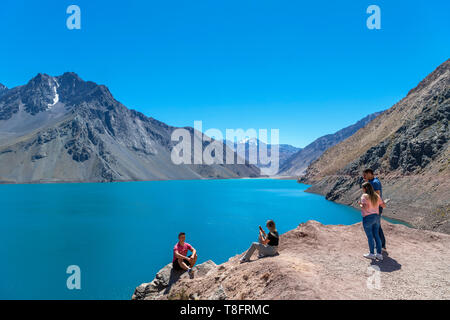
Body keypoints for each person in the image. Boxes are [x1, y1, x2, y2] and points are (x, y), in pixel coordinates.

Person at [359, 182, 386, 260]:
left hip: (368, 218)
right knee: (376, 235)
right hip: (376, 217)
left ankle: (371, 253)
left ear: (365, 189)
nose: (362, 190)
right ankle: (379, 254)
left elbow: (364, 207)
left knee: (370, 236)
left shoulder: (364, 196)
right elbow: (383, 205)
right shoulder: (376, 196)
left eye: (363, 188)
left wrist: (360, 204)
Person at [363, 168, 387, 251]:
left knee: (377, 226)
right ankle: (380, 245)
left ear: (369, 173)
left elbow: (377, 196)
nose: (363, 177)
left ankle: (382, 245)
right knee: (376, 226)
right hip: (373, 207)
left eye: (365, 175)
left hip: (376, 208)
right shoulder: (371, 181)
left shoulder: (375, 183)